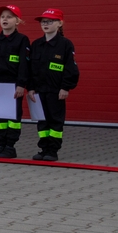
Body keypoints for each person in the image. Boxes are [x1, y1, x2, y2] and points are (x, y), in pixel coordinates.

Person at [28, 9, 79, 161]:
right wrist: (30, 88)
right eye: (43, 22)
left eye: (50, 21)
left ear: (60, 23)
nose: (46, 24)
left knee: (55, 121)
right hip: (39, 91)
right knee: (42, 121)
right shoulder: (36, 44)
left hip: (56, 91)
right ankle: (43, 149)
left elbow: (70, 68)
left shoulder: (65, 45)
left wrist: (65, 87)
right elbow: (30, 69)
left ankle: (53, 151)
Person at [0, 5, 31, 158]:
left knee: (13, 117)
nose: (5, 19)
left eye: (9, 17)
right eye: (2, 17)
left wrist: (21, 84)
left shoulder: (22, 40)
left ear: (17, 21)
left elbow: (24, 64)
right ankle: (1, 144)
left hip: (13, 85)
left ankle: (10, 146)